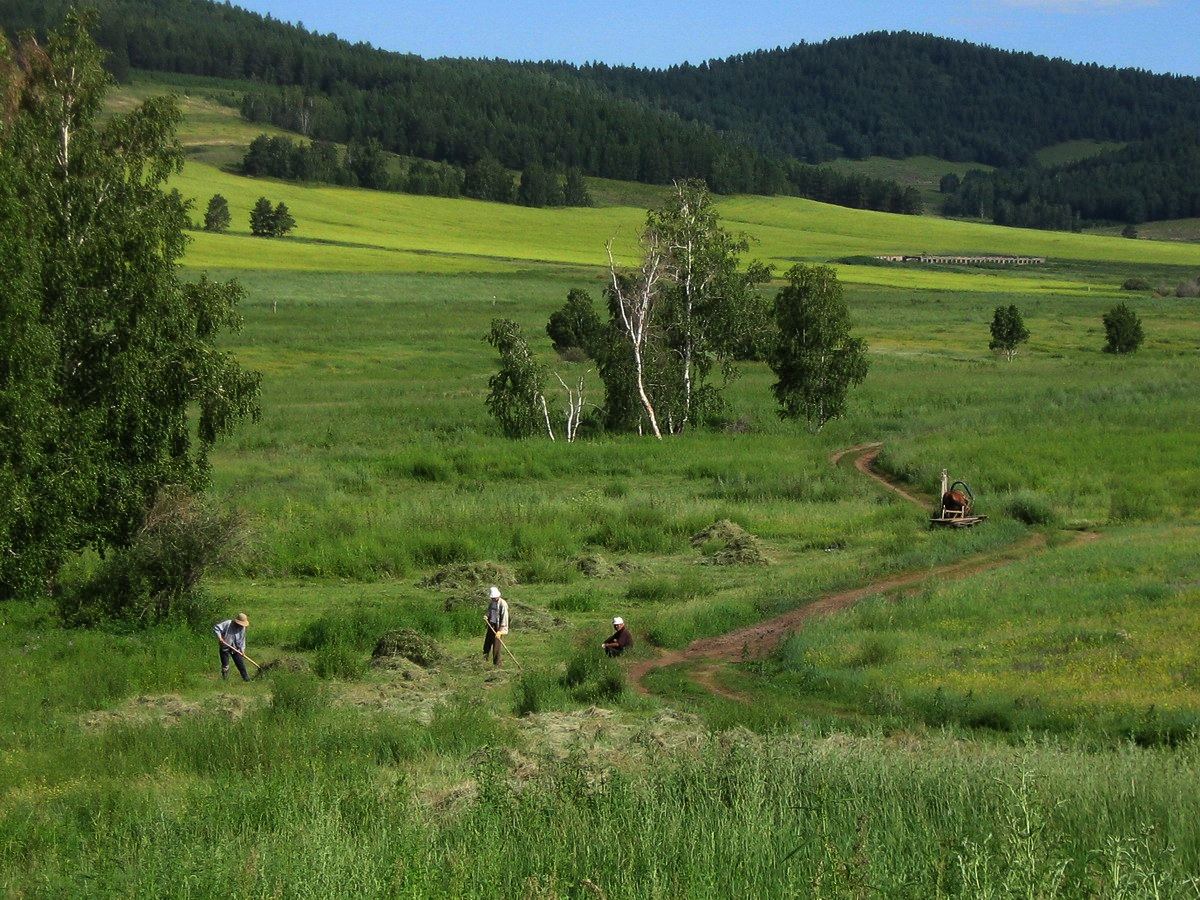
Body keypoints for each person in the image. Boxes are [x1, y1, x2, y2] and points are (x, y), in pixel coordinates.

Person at [213, 613, 251, 682]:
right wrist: (220, 638)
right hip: (225, 646)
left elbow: (242, 640)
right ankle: (225, 680)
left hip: (236, 648)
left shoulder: (243, 628)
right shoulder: (228, 623)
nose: (241, 625)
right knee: (225, 666)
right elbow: (217, 628)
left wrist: (242, 650)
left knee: (240, 664)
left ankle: (246, 679)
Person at [483, 586, 509, 667]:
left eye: (494, 598)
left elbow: (504, 619)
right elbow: (489, 611)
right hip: (492, 625)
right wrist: (487, 616)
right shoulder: (492, 602)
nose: (493, 599)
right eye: (492, 598)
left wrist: (500, 631)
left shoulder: (503, 604)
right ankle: (483, 660)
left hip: (498, 627)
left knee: (496, 647)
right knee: (487, 644)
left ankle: (497, 665)